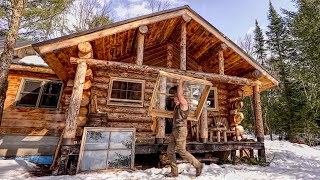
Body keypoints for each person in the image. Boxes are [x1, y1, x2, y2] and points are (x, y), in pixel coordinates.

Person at [165, 79, 203, 177]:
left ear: (179, 97)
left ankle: (198, 165)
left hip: (181, 129)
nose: (173, 99)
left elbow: (180, 94)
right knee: (170, 151)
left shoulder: (184, 104)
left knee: (181, 151)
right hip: (175, 130)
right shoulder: (176, 107)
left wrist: (180, 83)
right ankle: (174, 172)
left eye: (175, 97)